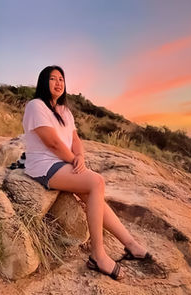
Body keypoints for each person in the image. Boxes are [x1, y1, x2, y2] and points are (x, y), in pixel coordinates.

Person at [22, 65, 152, 280]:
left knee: (94, 193)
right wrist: (73, 159)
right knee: (96, 183)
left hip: (63, 164)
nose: (58, 83)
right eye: (53, 79)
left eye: (61, 79)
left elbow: (75, 140)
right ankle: (98, 255)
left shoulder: (65, 111)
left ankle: (130, 244)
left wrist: (79, 156)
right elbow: (52, 143)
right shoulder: (36, 106)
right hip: (44, 165)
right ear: (43, 82)